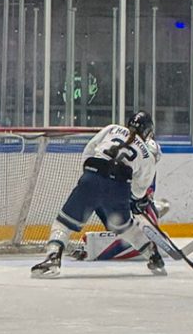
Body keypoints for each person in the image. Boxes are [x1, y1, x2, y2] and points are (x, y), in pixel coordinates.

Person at [31, 111, 166, 277]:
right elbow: (138, 192)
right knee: (125, 227)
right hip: (119, 188)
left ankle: (53, 258)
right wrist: (134, 201)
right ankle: (153, 255)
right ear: (147, 132)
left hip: (92, 178)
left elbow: (89, 151)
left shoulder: (112, 128)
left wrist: (90, 179)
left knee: (63, 223)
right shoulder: (147, 155)